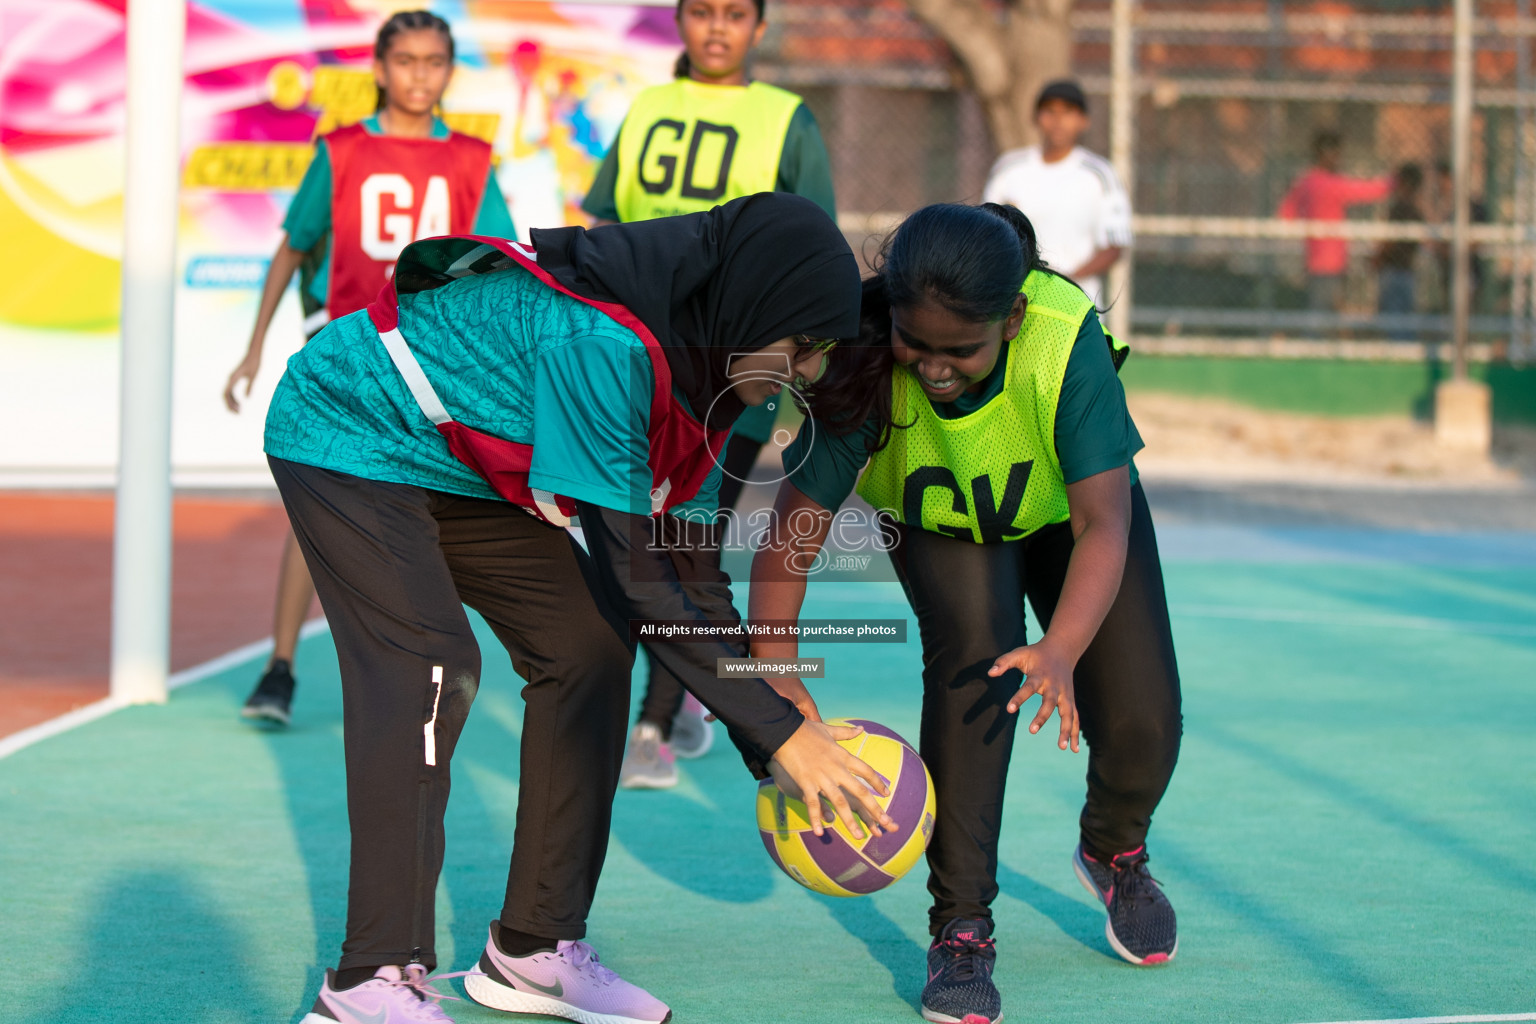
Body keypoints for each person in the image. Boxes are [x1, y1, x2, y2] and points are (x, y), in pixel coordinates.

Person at [265, 193, 897, 1024]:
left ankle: (533, 947)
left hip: (452, 459)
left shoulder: (719, 377)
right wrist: (780, 736)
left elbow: (692, 565)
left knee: (590, 650)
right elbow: (639, 576)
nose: (809, 371)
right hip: (350, 425)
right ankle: (367, 980)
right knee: (431, 666)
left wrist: (773, 716)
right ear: (751, 304)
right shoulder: (603, 344)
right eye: (803, 344)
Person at [748, 203, 1182, 1024]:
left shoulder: (1059, 335)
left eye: (961, 350)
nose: (937, 367)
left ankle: (1114, 845)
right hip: (941, 521)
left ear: (1011, 318)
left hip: (1070, 518)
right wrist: (778, 676)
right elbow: (787, 541)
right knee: (976, 668)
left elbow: (1104, 522)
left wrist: (1060, 648)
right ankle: (961, 930)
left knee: (1145, 719)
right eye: (922, 344)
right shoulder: (865, 357)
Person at [223, 10, 516, 727]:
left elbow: (501, 266)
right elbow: (293, 248)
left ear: (449, 70)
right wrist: (256, 345)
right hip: (350, 364)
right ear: (381, 69)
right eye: (407, 61)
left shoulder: (474, 160)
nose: (421, 75)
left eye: (434, 61)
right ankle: (280, 667)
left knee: (438, 512)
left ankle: (428, 667)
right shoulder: (343, 151)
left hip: (434, 363)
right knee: (318, 512)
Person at [580, 0, 838, 787]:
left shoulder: (786, 118)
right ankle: (677, 700)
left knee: (689, 544)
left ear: (759, 29)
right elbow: (600, 226)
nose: (716, 27)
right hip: (643, 351)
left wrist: (791, 390)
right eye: (701, 12)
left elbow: (808, 247)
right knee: (632, 538)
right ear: (680, 23)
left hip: (738, 365)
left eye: (734, 14)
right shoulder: (650, 108)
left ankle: (655, 724)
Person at [981, 79, 1131, 308]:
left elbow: (1114, 246)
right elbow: (986, 234)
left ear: (1084, 121)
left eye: (1068, 112)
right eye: (1050, 111)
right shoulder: (1008, 168)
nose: (1058, 120)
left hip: (1076, 302)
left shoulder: (1100, 174)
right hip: (1016, 300)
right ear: (1036, 118)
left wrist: (1061, 282)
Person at [1278, 131, 1390, 318]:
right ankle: (1317, 343)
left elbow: (1286, 213)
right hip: (1329, 262)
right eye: (1336, 154)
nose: (1338, 159)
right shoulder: (1326, 183)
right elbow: (1364, 190)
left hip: (1318, 259)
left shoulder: (1305, 181)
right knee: (1322, 314)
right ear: (1325, 154)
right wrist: (1392, 183)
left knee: (1326, 310)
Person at [1375, 162, 1424, 341]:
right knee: (1405, 319)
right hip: (1407, 271)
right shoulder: (1417, 211)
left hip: (1394, 271)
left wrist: (1377, 259)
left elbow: (1390, 241)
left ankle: (1398, 350)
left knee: (1393, 319)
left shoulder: (1400, 208)